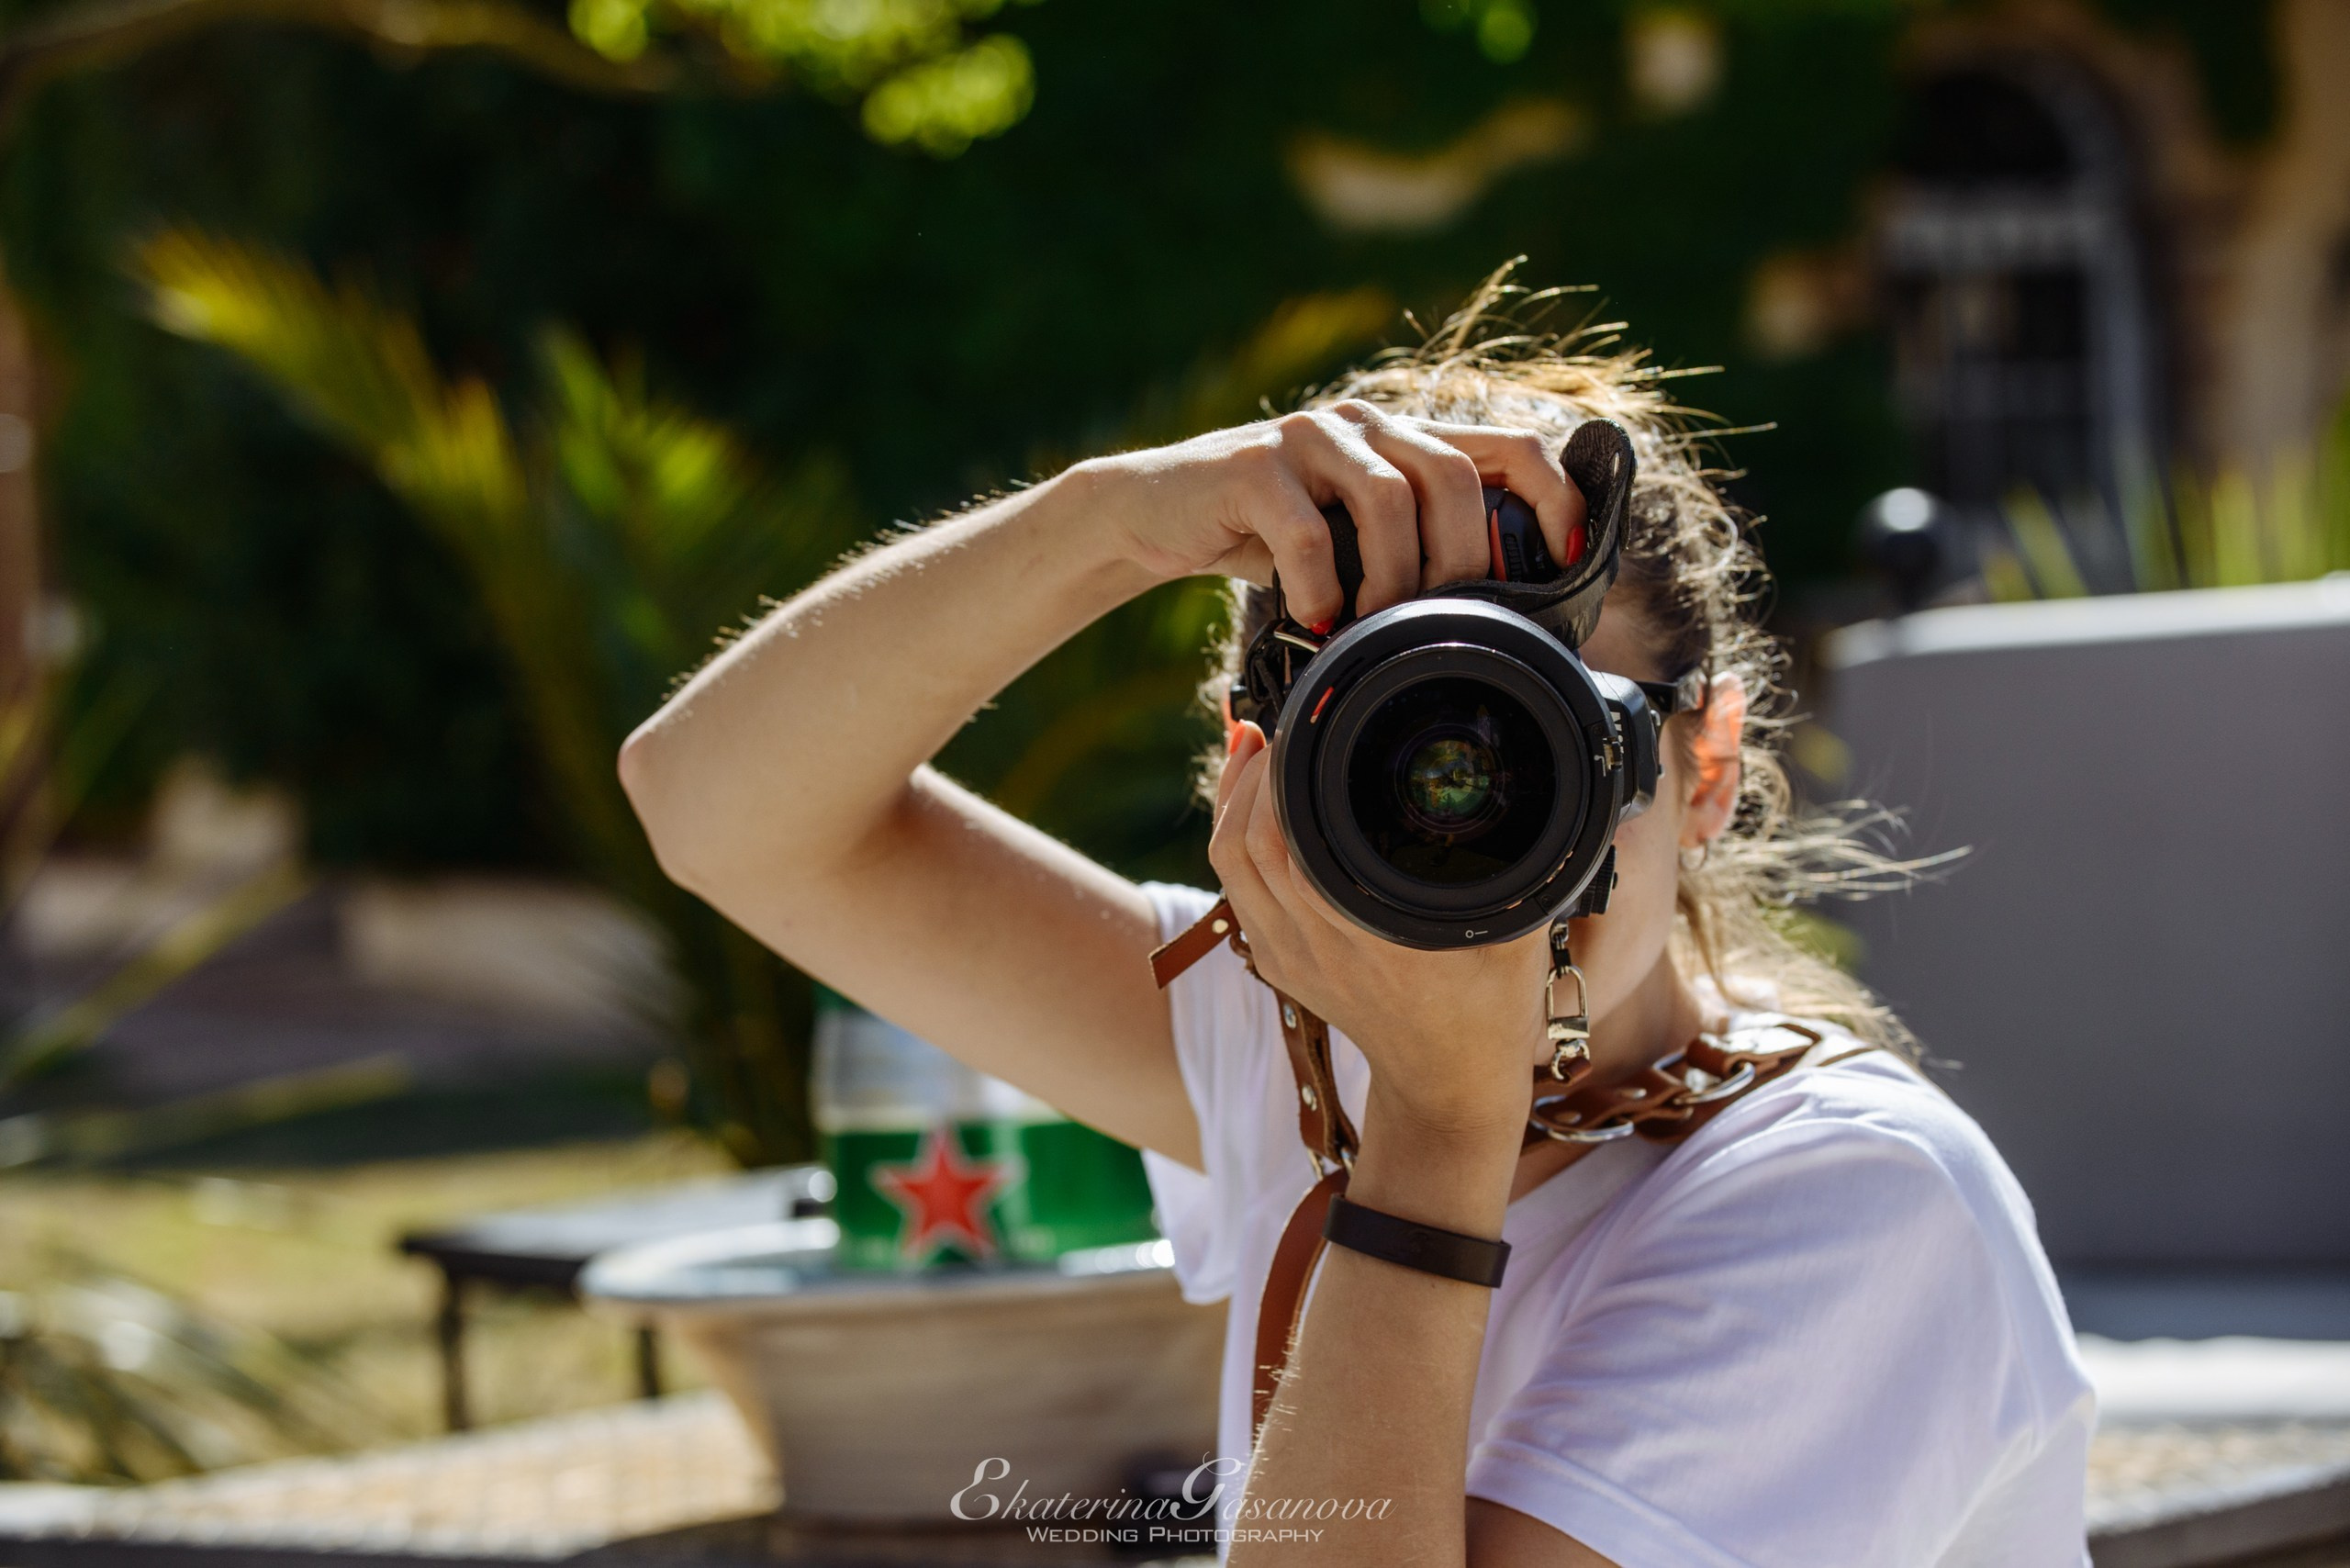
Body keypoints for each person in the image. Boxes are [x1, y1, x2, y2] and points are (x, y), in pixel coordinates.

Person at [616, 276, 2095, 1567]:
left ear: (1702, 766)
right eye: (1398, 746)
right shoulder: (1296, 1044)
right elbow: (714, 808)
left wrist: (1443, 1125)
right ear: (1263, 770)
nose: (1478, 827)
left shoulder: (1857, 1207)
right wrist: (1107, 523)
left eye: (1548, 733)